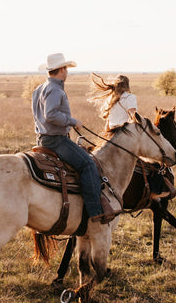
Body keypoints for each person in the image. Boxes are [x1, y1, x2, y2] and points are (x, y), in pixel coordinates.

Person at [32, 53, 114, 224]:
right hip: (56, 140)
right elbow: (51, 114)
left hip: (42, 139)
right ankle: (95, 211)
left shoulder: (40, 89)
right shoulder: (55, 89)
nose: (67, 72)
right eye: (66, 69)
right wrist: (72, 121)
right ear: (61, 70)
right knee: (88, 163)